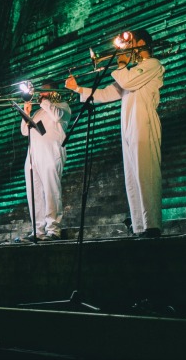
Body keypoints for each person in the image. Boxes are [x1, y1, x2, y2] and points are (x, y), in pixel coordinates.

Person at [65, 29, 165, 238]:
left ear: (142, 43)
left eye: (130, 44)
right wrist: (77, 89)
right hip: (128, 125)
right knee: (131, 177)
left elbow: (127, 81)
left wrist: (121, 64)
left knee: (146, 174)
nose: (126, 49)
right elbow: (106, 93)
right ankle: (139, 226)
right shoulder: (131, 71)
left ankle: (152, 225)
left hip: (144, 123)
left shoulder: (152, 64)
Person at [21, 84, 72, 241]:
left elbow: (57, 116)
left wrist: (44, 101)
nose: (40, 93)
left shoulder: (62, 106)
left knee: (51, 190)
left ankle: (53, 229)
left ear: (53, 92)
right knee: (34, 193)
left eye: (44, 90)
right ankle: (38, 230)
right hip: (33, 154)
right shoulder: (38, 112)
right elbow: (24, 131)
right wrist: (26, 113)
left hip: (51, 152)